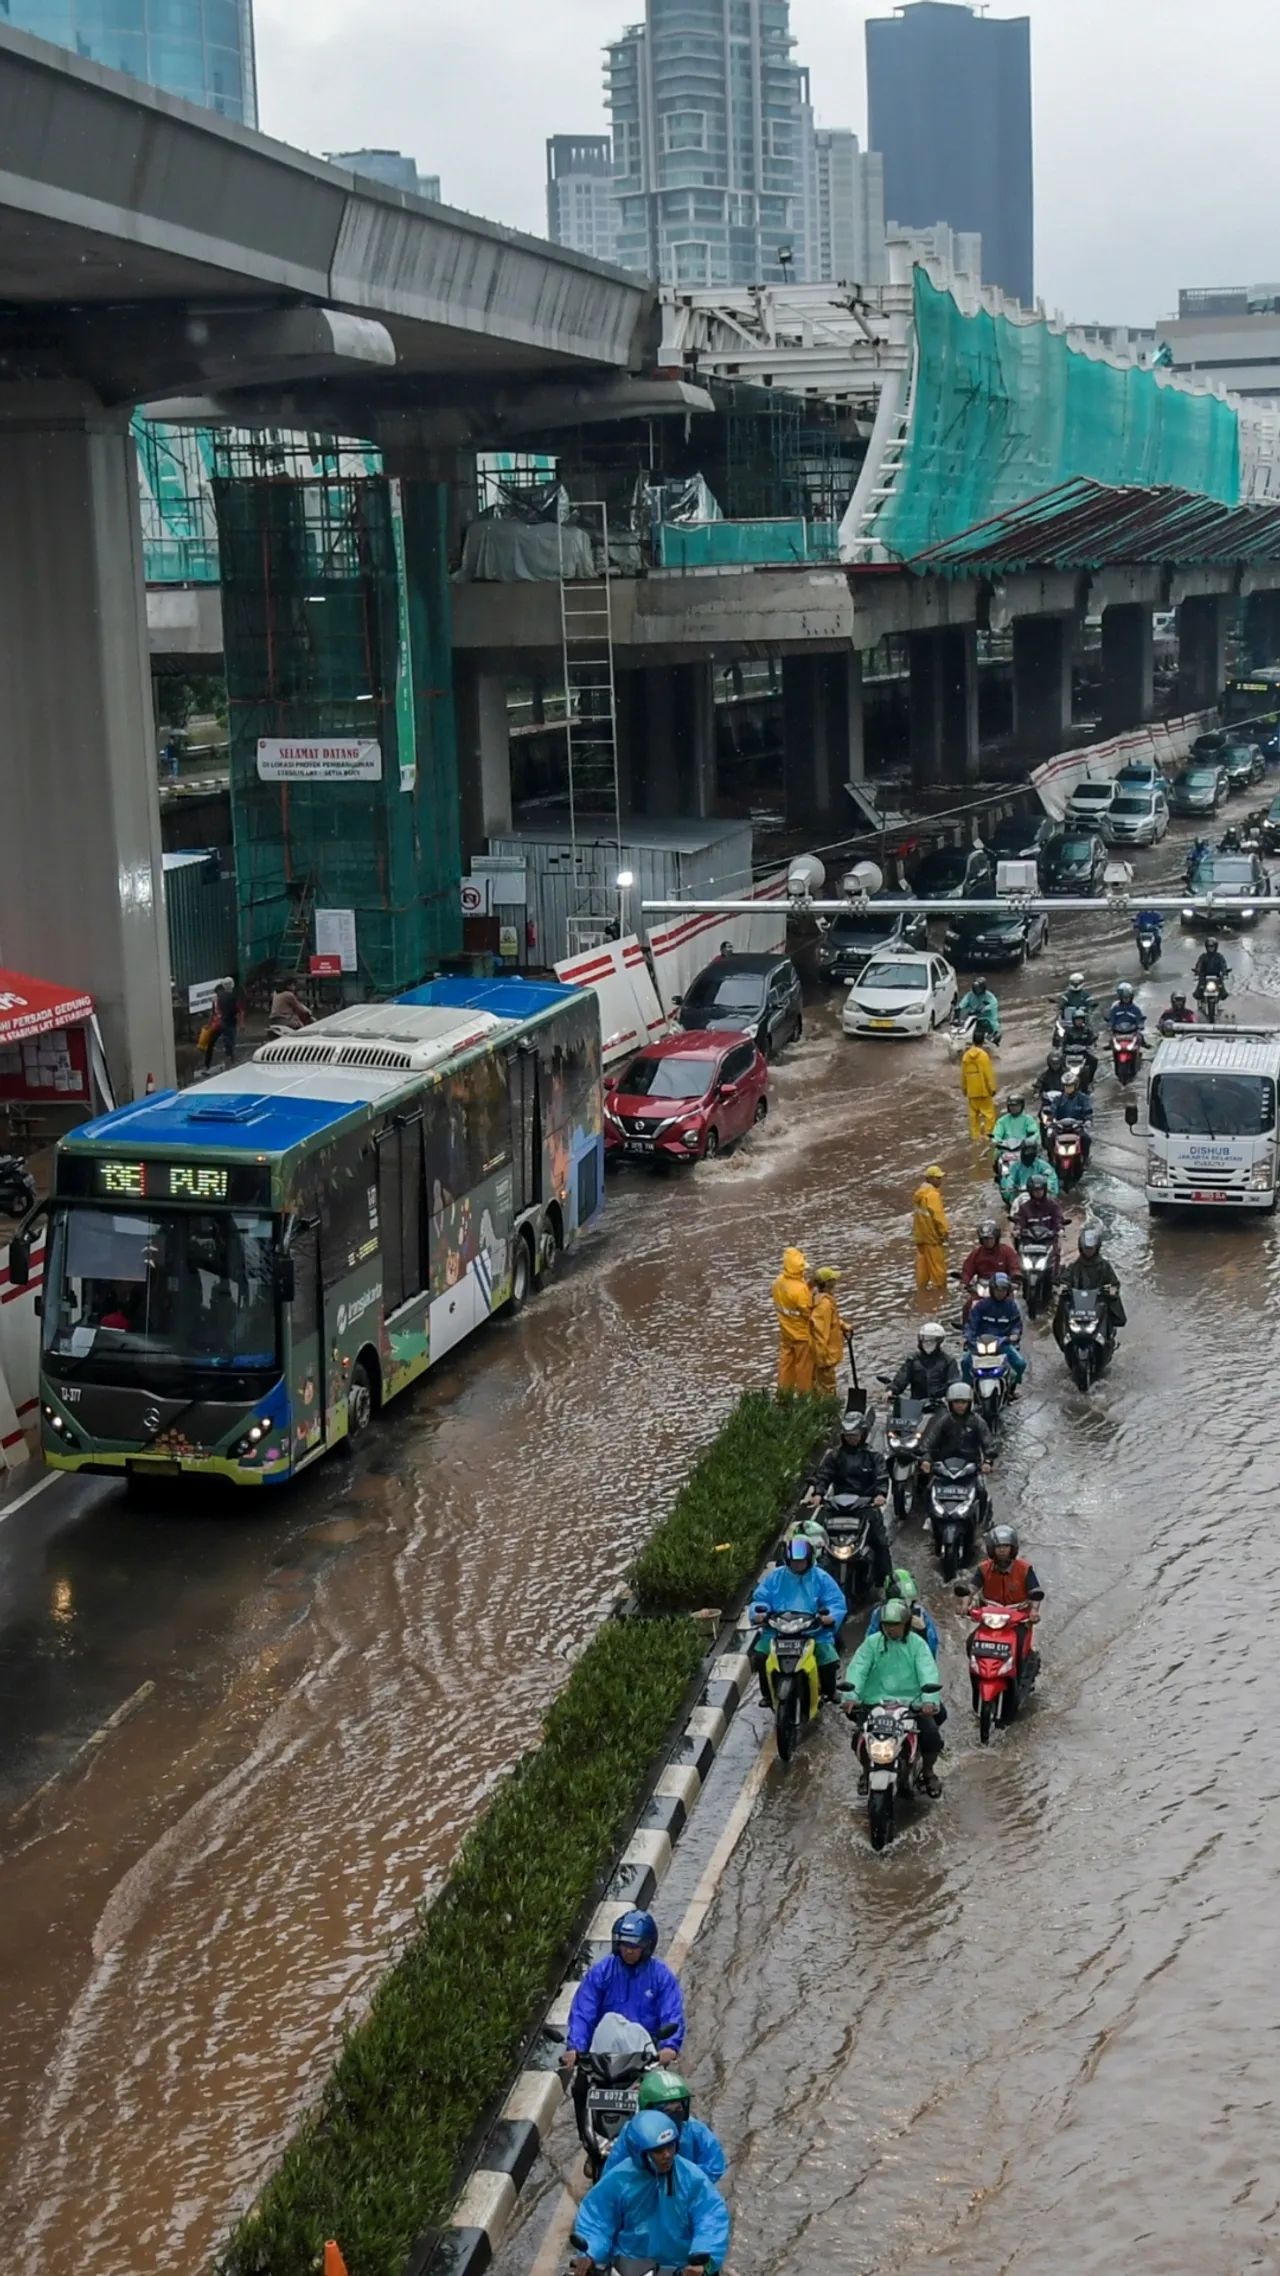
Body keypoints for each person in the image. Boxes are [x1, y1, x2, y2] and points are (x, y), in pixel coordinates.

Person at [571, 2108, 731, 2276]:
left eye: (670, 2146)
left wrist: (703, 2258)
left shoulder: (693, 2178)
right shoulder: (619, 2180)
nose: (667, 2155)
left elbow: (710, 2219)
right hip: (627, 2266)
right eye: (659, 2150)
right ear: (640, 2153)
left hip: (680, 2269)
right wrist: (589, 2253)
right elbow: (598, 2218)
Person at [564, 1911, 685, 2097]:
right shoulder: (601, 1972)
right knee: (580, 2091)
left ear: (646, 1946)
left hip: (644, 2056)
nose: (628, 1950)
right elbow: (583, 2012)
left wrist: (669, 2047)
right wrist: (576, 2048)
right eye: (624, 1944)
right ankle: (586, 2126)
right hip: (604, 2056)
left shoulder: (661, 1977)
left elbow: (672, 2013)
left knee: (667, 2103)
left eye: (634, 1946)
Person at [841, 1596, 945, 1799]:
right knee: (859, 1738)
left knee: (932, 1736)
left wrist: (929, 1700)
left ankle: (928, 1772)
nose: (891, 1630)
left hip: (911, 1704)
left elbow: (928, 1670)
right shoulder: (871, 1644)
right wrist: (851, 1696)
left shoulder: (918, 1645)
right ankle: (866, 1771)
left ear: (906, 1624)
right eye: (887, 1625)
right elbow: (858, 1669)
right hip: (875, 1703)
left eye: (895, 1625)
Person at [750, 1528, 848, 1704]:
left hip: (813, 1631)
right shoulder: (776, 1577)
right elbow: (760, 1599)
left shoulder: (821, 1578)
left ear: (809, 1559)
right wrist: (759, 1613)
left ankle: (829, 1691)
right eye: (794, 1561)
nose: (797, 1564)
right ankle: (767, 1695)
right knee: (760, 1656)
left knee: (828, 1658)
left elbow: (836, 1602)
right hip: (777, 1630)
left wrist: (830, 1617)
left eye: (801, 1561)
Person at [805, 1409, 893, 1585]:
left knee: (881, 1543)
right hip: (838, 1508)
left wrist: (880, 1495)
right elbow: (824, 1476)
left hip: (865, 1508)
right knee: (819, 1544)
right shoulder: (835, 1456)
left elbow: (882, 1477)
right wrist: (818, 1494)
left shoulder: (873, 1456)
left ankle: (887, 1581)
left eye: (855, 1435)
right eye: (848, 1435)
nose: (851, 1438)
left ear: (863, 1434)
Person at [604, 2072, 727, 2183]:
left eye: (678, 2109)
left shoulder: (695, 2130)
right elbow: (610, 2180)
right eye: (667, 2110)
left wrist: (682, 2181)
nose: (674, 2115)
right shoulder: (633, 2134)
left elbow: (714, 2166)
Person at [966, 1523, 1043, 1679]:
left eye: (1006, 1546)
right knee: (971, 1643)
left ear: (1012, 1548)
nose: (1002, 1550)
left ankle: (1018, 1678)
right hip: (990, 1619)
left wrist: (1034, 1610)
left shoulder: (1024, 1569)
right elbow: (971, 1588)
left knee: (1019, 1648)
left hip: (1018, 1620)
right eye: (998, 1546)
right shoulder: (983, 1569)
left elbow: (1035, 1592)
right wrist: (963, 1604)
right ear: (991, 1548)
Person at [920, 1378, 996, 1521]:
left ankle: (982, 1522)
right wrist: (926, 1459)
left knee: (981, 1491)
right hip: (945, 1468)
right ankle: (931, 1519)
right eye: (956, 1402)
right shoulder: (944, 1421)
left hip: (970, 1466)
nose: (960, 1406)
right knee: (928, 1490)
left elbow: (989, 1444)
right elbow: (929, 1443)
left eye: (963, 1402)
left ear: (969, 1403)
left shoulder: (977, 1422)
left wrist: (987, 1461)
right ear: (950, 1404)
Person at [1053, 1226, 1126, 1351]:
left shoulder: (1104, 1266)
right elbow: (1064, 1279)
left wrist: (1111, 1289)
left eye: (1091, 1248)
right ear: (1081, 1248)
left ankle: (1109, 1339)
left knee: (1111, 1309)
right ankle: (1064, 1342)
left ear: (1096, 1248)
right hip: (1078, 1303)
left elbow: (1114, 1282)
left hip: (1099, 1302)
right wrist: (1063, 1287)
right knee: (1060, 1315)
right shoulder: (1075, 1265)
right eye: (1086, 1248)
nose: (1088, 1251)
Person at [964, 1268, 1027, 1386]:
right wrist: (966, 1337)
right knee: (965, 1362)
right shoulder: (981, 1305)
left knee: (1020, 1364)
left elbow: (1016, 1324)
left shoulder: (1011, 1307)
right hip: (980, 1344)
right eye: (997, 1290)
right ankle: (968, 1389)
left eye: (1003, 1290)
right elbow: (971, 1323)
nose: (1000, 1293)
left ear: (1007, 1291)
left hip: (1002, 1343)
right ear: (992, 1290)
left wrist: (1014, 1334)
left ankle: (1013, 1386)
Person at [868, 1566, 939, 1657]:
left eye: (910, 1602)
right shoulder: (879, 1614)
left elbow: (930, 1655)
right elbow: (869, 1649)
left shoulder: (921, 1616)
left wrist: (922, 1632)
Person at [771, 1247, 813, 1395]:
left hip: (785, 1332)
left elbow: (790, 1301)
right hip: (802, 1335)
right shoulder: (801, 1290)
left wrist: (809, 1286)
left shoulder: (778, 1282)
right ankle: (805, 1400)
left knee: (785, 1366)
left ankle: (783, 1398)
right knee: (804, 1368)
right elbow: (809, 1313)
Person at [960, 1219, 1022, 1317]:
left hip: (1002, 1288)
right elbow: (968, 1269)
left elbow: (1014, 1267)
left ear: (996, 1238)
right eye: (985, 1239)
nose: (987, 1242)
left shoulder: (1007, 1251)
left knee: (1013, 1309)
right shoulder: (976, 1254)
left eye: (990, 1238)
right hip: (982, 1288)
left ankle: (1013, 1330)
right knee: (967, 1307)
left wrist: (1016, 1278)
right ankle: (966, 1329)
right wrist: (964, 1282)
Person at [889, 1320, 955, 1403]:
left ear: (939, 1342)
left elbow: (953, 1383)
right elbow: (902, 1377)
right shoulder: (913, 1359)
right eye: (925, 1340)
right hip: (916, 1404)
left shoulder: (949, 1361)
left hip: (940, 1404)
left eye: (932, 1340)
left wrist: (944, 1397)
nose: (928, 1343)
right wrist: (891, 1390)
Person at [809, 1265, 850, 1399]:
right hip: (825, 1356)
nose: (836, 1282)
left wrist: (842, 1325)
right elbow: (819, 1332)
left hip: (824, 1354)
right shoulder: (824, 1305)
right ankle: (828, 1414)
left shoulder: (822, 1299)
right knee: (827, 1387)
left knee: (819, 1385)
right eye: (833, 1280)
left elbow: (831, 1321)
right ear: (827, 1283)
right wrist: (822, 1360)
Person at [912, 1166, 949, 1294]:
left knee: (923, 1271)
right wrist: (944, 1233)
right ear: (930, 1179)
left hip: (921, 1238)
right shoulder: (932, 1195)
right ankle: (940, 1295)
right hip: (932, 1239)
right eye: (938, 1178)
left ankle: (922, 1295)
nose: (940, 1181)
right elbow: (938, 1217)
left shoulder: (919, 1194)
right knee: (939, 1273)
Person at [960, 1033, 999, 1142]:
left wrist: (964, 1089)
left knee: (973, 1116)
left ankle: (975, 1137)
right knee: (989, 1115)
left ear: (973, 1041)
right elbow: (988, 1074)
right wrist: (992, 1088)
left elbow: (963, 1075)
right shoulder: (983, 1056)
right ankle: (988, 1136)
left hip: (972, 1092)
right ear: (983, 1042)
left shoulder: (966, 1056)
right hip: (984, 1092)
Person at [1001, 1137, 1061, 1209]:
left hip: (1040, 1194)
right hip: (1020, 1195)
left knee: (1054, 1208)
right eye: (1027, 1151)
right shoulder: (1014, 1167)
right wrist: (1010, 1188)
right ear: (1022, 1151)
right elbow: (1008, 1179)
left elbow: (1052, 1178)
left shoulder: (1043, 1165)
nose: (1029, 1153)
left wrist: (1049, 1187)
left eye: (1032, 1151)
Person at [203, 975, 239, 1069]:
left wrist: (209, 1024)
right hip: (224, 1023)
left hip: (217, 1024)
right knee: (229, 1043)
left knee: (212, 1043)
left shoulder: (217, 999)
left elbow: (213, 1012)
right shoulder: (230, 997)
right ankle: (231, 1062)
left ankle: (207, 1064)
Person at [990, 1092, 1041, 1156]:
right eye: (1011, 1106)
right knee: (996, 1157)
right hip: (1006, 1149)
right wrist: (996, 1141)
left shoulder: (1028, 1120)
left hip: (1023, 1149)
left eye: (1016, 1106)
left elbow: (1034, 1133)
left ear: (1022, 1106)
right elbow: (996, 1134)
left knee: (1036, 1158)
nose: (1013, 1108)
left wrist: (1028, 1141)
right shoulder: (1002, 1121)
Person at [956, 976, 1001, 1044]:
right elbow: (962, 1005)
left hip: (987, 1020)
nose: (977, 990)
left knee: (993, 1037)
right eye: (976, 988)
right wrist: (958, 1009)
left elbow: (992, 1007)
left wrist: (984, 1009)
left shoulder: (990, 998)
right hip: (973, 1019)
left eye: (979, 988)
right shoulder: (970, 995)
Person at [1194, 937, 1231, 1005]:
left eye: (1212, 946)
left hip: (1216, 977)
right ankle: (1201, 1000)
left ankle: (1219, 998)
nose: (1211, 948)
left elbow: (1223, 965)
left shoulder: (1219, 956)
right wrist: (1197, 973)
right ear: (1206, 947)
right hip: (1205, 977)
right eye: (1209, 947)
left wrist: (1225, 973)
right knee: (1198, 992)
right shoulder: (1203, 956)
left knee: (1224, 993)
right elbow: (1199, 964)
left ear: (1215, 947)